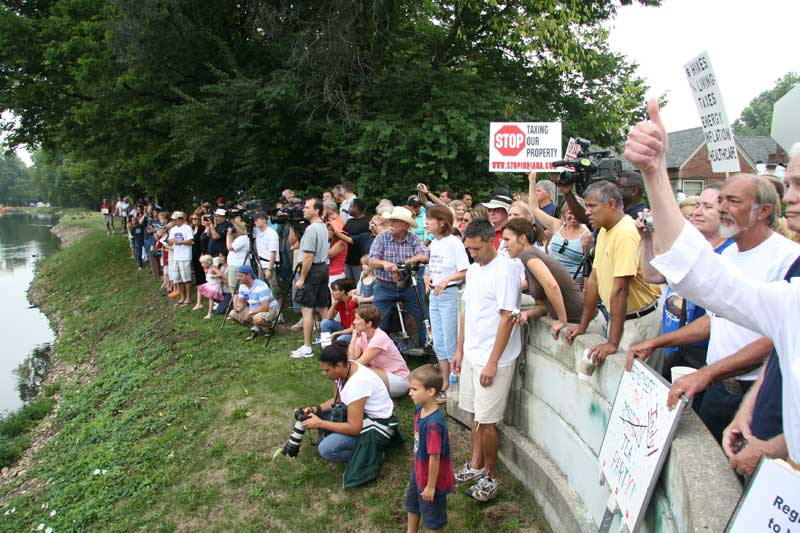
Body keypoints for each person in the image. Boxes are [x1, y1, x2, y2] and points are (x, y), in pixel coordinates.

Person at [623, 99, 800, 464]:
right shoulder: (788, 293)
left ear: (762, 211)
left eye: (798, 184)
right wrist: (654, 174)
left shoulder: (786, 260)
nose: (791, 196)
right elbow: (704, 281)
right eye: (789, 184)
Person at [633, 174, 797, 442]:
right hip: (719, 386)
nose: (721, 209)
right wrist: (658, 342)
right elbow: (716, 317)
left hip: (754, 391)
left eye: (732, 201)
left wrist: (707, 373)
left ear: (763, 211)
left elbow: (775, 336)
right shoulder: (729, 254)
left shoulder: (788, 259)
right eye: (720, 201)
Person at [629, 184, 734, 387]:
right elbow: (652, 275)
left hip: (703, 354)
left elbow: (711, 322)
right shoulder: (693, 250)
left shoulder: (729, 255)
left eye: (707, 206)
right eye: (698, 205)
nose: (697, 212)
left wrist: (657, 342)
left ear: (725, 212)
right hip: (676, 349)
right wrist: (647, 238)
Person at [451, 219, 521, 502]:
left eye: (476, 249)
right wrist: (460, 350)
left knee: (488, 422)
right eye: (469, 249)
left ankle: (491, 477)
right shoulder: (475, 271)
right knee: (476, 416)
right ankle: (476, 464)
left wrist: (493, 362)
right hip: (472, 354)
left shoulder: (506, 272)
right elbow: (468, 310)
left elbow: (507, 318)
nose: (472, 254)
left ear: (490, 241)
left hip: (495, 359)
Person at [564, 181, 661, 369]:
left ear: (611, 204)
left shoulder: (626, 232)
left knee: (628, 382)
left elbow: (621, 289)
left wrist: (612, 343)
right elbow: (594, 279)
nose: (587, 212)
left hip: (638, 321)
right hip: (620, 317)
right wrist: (583, 325)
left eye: (592, 206)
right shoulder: (604, 231)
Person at [300, 344, 399, 487]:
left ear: (339, 365)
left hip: (377, 427)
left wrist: (320, 424)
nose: (324, 374)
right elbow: (338, 401)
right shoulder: (346, 370)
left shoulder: (358, 383)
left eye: (327, 370)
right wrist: (315, 409)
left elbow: (354, 428)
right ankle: (362, 449)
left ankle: (372, 454)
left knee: (326, 449)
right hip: (362, 417)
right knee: (320, 415)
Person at [502, 218, 583, 334]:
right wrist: (526, 314)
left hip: (584, 322)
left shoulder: (528, 255)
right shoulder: (528, 259)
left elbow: (551, 286)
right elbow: (543, 306)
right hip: (576, 321)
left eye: (507, 240)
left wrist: (561, 320)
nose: (504, 245)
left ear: (522, 238)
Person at [424, 205, 469, 401]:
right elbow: (430, 268)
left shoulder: (454, 243)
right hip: (434, 295)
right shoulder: (434, 243)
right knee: (439, 341)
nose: (426, 222)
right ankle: (444, 381)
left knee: (451, 341)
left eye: (430, 219)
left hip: (449, 295)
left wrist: (447, 280)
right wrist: (427, 277)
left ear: (441, 222)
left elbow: (465, 271)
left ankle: (455, 382)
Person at [368, 206, 430, 347]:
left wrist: (404, 263)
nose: (391, 223)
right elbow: (371, 260)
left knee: (423, 317)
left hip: (408, 285)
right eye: (391, 220)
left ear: (405, 225)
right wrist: (385, 263)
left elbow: (424, 255)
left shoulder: (413, 237)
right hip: (384, 286)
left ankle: (426, 348)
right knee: (377, 320)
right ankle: (375, 350)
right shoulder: (382, 237)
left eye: (395, 221)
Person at [405, 365, 455, 533]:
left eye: (414, 389)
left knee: (433, 519)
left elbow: (435, 458)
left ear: (430, 391)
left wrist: (431, 486)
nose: (410, 393)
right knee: (412, 505)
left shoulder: (433, 425)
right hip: (419, 473)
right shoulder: (420, 410)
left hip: (431, 480)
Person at [528, 172, 592, 284]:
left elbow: (588, 266)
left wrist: (585, 290)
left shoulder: (586, 235)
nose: (573, 217)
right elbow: (534, 208)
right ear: (564, 212)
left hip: (575, 285)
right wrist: (532, 181)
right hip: (553, 282)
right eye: (570, 213)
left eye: (577, 214)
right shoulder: (557, 226)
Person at [292, 198, 331, 358]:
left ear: (317, 210)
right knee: (323, 306)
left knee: (306, 309)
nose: (303, 210)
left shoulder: (311, 230)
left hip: (312, 270)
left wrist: (301, 278)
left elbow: (308, 256)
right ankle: (327, 342)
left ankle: (307, 346)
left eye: (307, 207)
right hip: (323, 268)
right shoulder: (323, 227)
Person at [348, 304, 411, 398]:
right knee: (358, 371)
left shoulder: (379, 337)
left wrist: (350, 366)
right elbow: (351, 359)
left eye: (357, 319)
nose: (353, 322)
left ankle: (382, 399)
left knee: (363, 371)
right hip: (383, 377)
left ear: (369, 323)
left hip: (400, 381)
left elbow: (358, 364)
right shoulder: (363, 335)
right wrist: (353, 339)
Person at [227, 265, 278, 339]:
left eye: (241, 276)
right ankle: (256, 329)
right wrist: (238, 308)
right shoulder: (242, 286)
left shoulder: (261, 287)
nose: (239, 278)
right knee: (232, 314)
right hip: (254, 309)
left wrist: (250, 313)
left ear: (248, 276)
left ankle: (272, 326)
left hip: (270, 309)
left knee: (257, 319)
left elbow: (265, 307)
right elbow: (241, 302)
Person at [331, 198, 371, 283]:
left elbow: (353, 240)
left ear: (356, 207)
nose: (348, 209)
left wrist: (334, 230)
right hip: (347, 261)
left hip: (359, 263)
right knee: (349, 287)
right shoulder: (349, 221)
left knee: (359, 285)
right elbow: (343, 236)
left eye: (350, 206)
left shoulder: (367, 223)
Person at [253, 211, 282, 307]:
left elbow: (273, 252)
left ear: (264, 220)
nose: (255, 222)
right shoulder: (257, 231)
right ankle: (265, 307)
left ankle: (279, 312)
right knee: (261, 287)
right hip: (260, 263)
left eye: (257, 220)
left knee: (274, 288)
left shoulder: (271, 234)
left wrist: (269, 269)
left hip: (269, 264)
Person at [167, 211, 194, 306]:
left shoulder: (187, 228)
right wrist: (171, 241)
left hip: (185, 255)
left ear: (180, 219)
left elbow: (191, 241)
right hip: (176, 255)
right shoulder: (173, 229)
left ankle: (188, 297)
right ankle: (182, 297)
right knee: (177, 278)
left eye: (175, 220)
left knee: (186, 278)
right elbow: (170, 240)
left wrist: (180, 242)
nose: (174, 221)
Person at [321, 278, 357, 344]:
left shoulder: (353, 303)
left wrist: (336, 333)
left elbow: (353, 329)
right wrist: (334, 304)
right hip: (344, 328)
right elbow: (329, 318)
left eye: (335, 290)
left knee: (341, 339)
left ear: (343, 291)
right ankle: (327, 347)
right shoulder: (340, 301)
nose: (332, 293)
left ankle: (336, 348)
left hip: (354, 333)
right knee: (324, 322)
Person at [225, 221, 250, 294]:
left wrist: (229, 234)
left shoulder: (243, 238)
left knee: (234, 289)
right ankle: (239, 304)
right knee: (237, 289)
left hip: (237, 266)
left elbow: (230, 247)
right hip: (238, 265)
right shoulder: (242, 238)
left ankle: (237, 305)